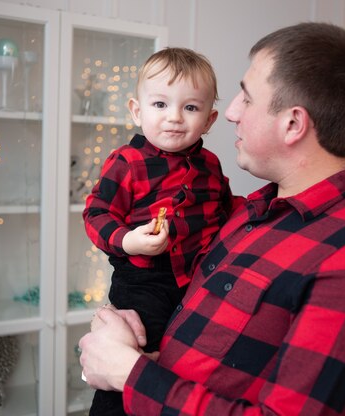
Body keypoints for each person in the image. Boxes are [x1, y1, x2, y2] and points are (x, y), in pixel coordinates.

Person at [79, 22, 345, 415]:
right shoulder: (249, 212)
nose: (231, 113)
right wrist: (118, 349)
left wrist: (128, 373)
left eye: (247, 98)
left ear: (293, 123)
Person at [82, 47, 236, 415]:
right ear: (138, 110)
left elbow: (225, 211)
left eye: (191, 108)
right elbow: (96, 213)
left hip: (196, 281)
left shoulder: (210, 165)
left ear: (210, 119)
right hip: (143, 281)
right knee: (132, 354)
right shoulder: (128, 162)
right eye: (161, 105)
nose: (175, 119)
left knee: (180, 361)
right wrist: (128, 240)